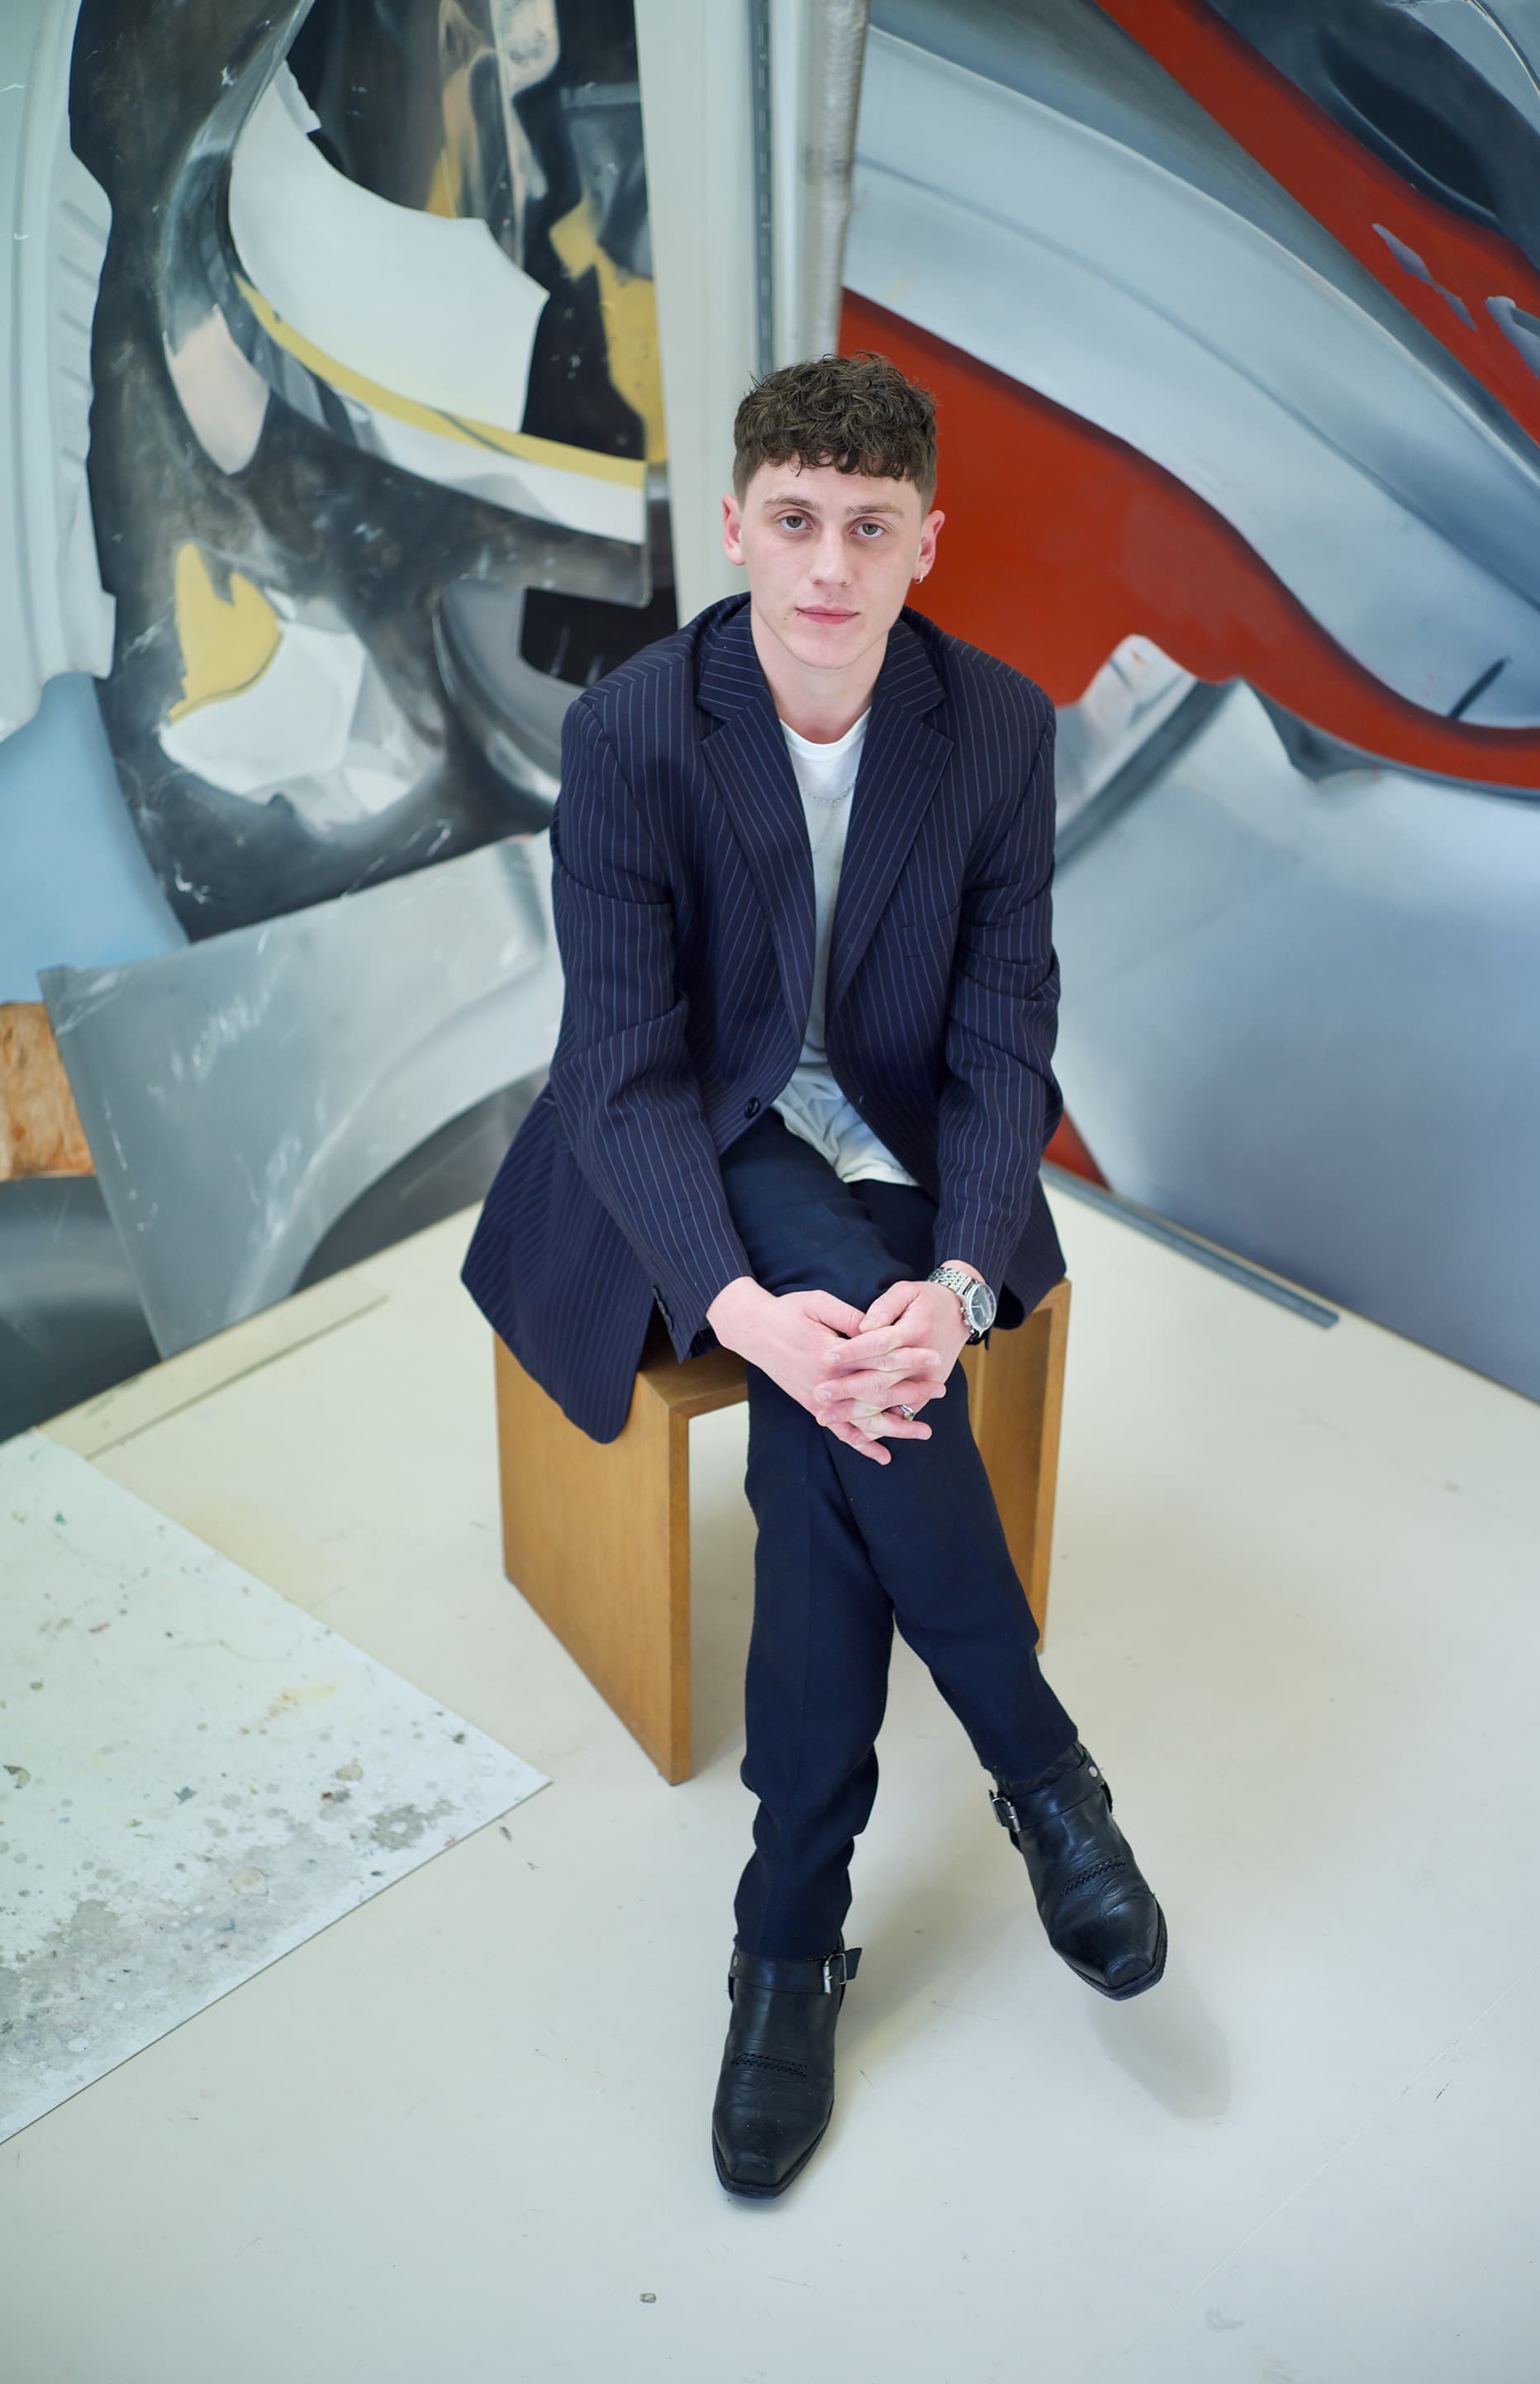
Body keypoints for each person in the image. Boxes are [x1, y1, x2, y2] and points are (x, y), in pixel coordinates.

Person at [461, 351, 1166, 2201]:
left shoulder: (995, 727)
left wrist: (960, 1275)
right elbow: (621, 1068)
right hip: (706, 1135)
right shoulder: (633, 732)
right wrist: (743, 1311)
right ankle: (1042, 1776)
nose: (830, 565)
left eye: (870, 526)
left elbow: (1006, 1037)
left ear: (927, 541)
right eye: (795, 520)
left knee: (827, 1414)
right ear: (735, 528)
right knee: (823, 1329)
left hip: (905, 1144)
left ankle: (789, 1935)